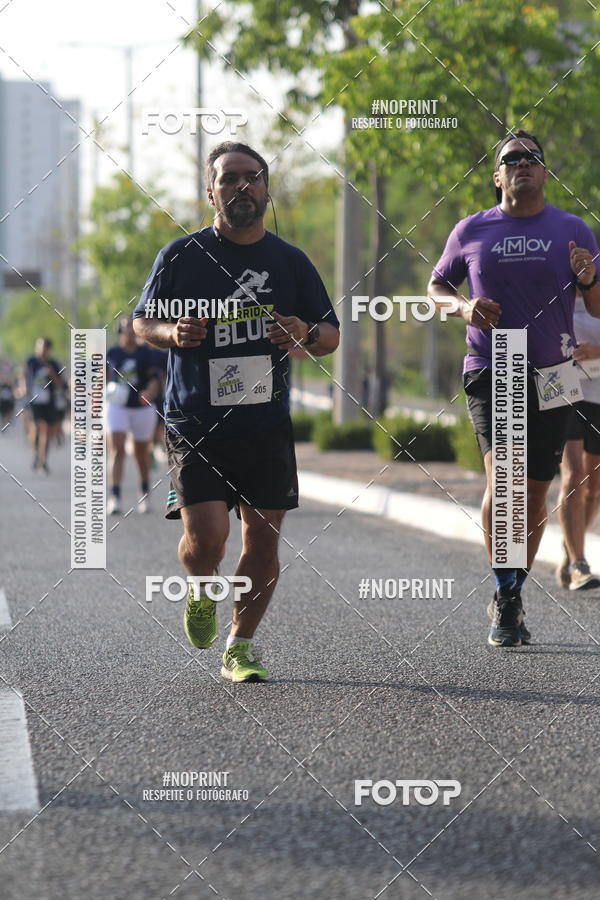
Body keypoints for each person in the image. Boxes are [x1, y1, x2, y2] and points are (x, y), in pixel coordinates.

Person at [133, 141, 339, 682]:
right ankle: (202, 585)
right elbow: (140, 323)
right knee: (207, 541)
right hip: (195, 421)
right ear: (210, 192)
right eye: (229, 179)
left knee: (263, 539)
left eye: (252, 177)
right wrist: (170, 332)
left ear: (267, 191)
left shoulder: (290, 261)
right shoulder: (179, 257)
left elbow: (330, 334)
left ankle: (240, 645)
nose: (242, 187)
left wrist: (304, 332)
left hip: (265, 423)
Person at [428, 129, 600, 647]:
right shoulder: (471, 230)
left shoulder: (573, 230)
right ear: (497, 176)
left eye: (532, 159)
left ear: (545, 173)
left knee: (534, 493)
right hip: (492, 363)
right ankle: (506, 597)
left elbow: (597, 310)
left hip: (554, 371)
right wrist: (463, 306)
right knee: (503, 484)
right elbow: (437, 286)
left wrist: (589, 280)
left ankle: (514, 589)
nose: (523, 164)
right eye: (512, 159)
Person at [556, 292, 600, 590]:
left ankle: (569, 547)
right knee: (574, 476)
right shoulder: (555, 292)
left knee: (594, 488)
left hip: (599, 396)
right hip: (565, 391)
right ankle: (578, 563)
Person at [106, 315, 161, 515]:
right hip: (117, 407)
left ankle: (144, 493)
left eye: (132, 326)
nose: (130, 329)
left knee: (141, 453)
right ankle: (115, 496)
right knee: (117, 450)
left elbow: (155, 379)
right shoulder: (112, 353)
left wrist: (150, 392)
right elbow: (100, 379)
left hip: (142, 408)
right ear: (120, 330)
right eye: (125, 326)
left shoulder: (146, 353)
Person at [25, 338, 63, 473]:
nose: (41, 350)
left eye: (44, 348)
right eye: (39, 347)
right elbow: (26, 378)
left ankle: (43, 460)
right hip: (34, 400)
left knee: (46, 431)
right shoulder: (32, 362)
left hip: (49, 402)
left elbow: (59, 384)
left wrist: (52, 373)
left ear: (49, 350)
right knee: (36, 428)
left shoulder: (54, 364)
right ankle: (36, 453)